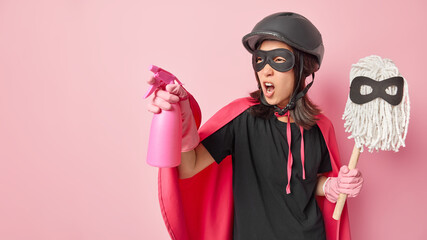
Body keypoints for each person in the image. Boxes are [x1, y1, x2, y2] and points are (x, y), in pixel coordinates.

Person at [147, 12, 363, 240]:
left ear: (303, 68)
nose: (265, 70)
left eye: (279, 60)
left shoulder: (321, 127)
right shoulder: (241, 118)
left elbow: (309, 181)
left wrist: (332, 186)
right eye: (260, 60)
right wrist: (180, 119)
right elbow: (188, 167)